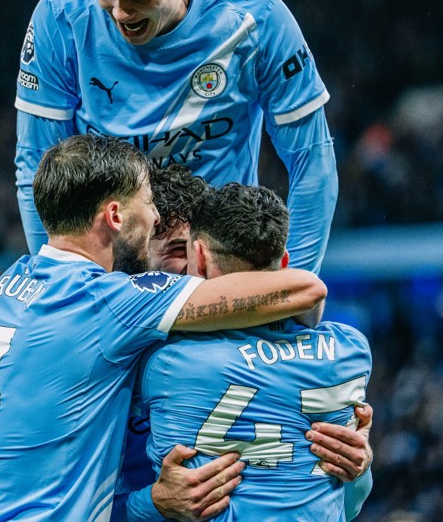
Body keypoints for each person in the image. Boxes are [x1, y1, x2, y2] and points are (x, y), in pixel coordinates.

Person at [0, 134, 329, 520]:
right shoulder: (110, 303)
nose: (153, 217)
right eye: (148, 202)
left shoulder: (11, 285)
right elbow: (306, 290)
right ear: (115, 216)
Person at [14, 0, 338, 275]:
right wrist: (59, 280)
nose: (120, 14)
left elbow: (311, 158)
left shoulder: (257, 21)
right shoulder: (59, 18)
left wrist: (295, 284)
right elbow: (37, 169)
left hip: (220, 263)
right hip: (113, 270)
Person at [135, 183, 373, 520]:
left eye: (182, 251)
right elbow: (348, 505)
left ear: (198, 257)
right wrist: (362, 470)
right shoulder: (350, 349)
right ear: (284, 262)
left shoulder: (163, 360)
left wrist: (147, 504)